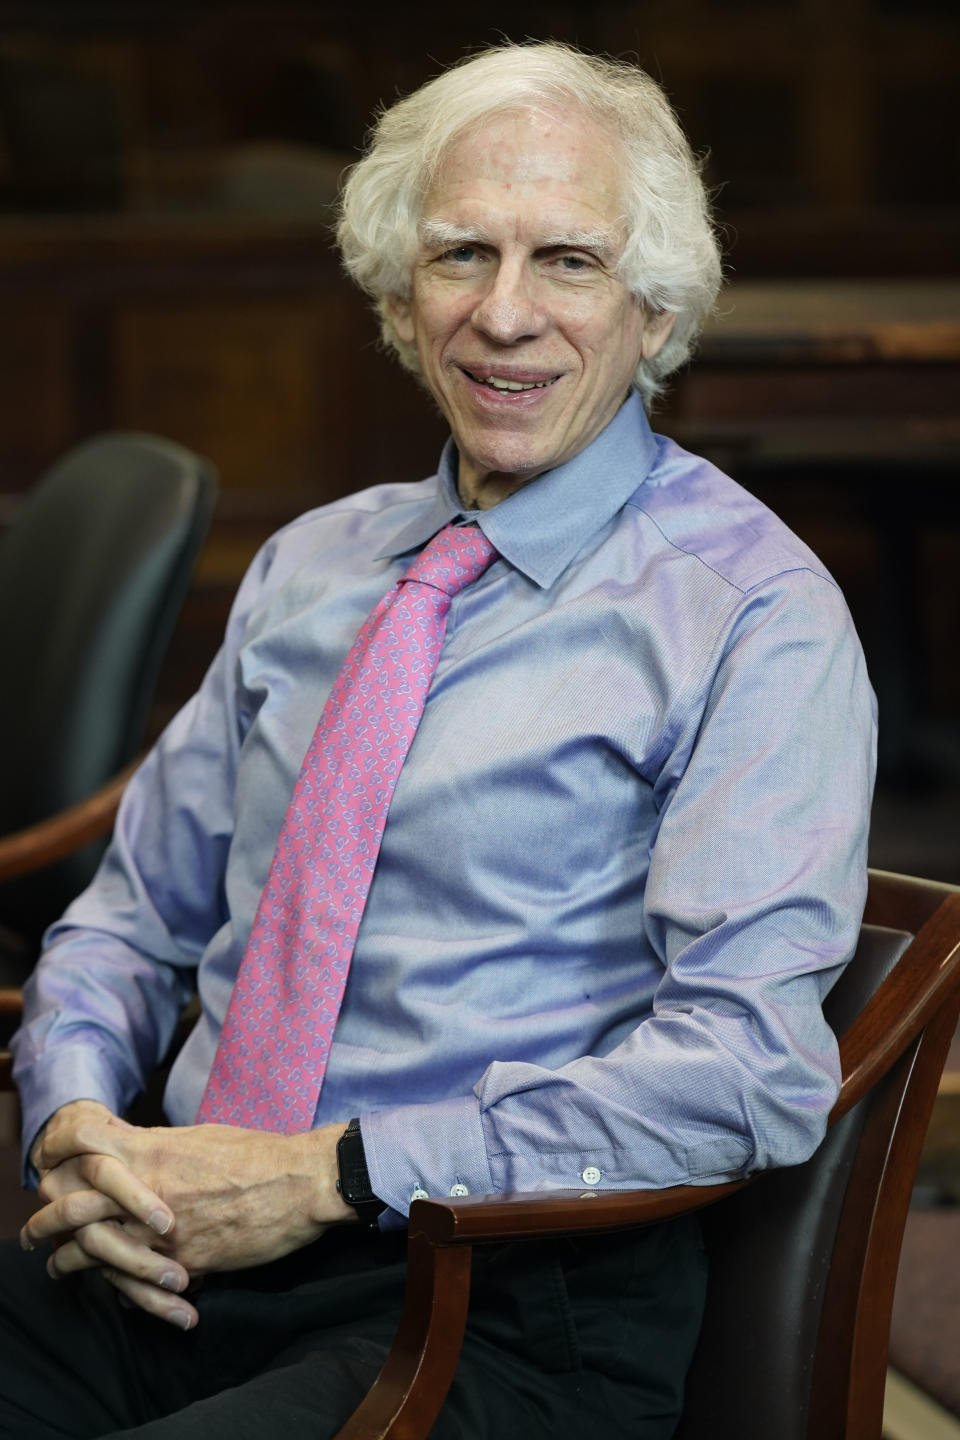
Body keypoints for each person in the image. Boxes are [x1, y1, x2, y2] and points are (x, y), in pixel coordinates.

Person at [0, 40, 875, 1440]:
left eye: (570, 262)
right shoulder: (309, 567)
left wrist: (327, 1177)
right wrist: (75, 1122)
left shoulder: (753, 616)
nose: (505, 315)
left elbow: (747, 1072)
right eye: (462, 253)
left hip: (492, 1301)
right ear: (402, 293)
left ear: (655, 310)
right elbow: (127, 919)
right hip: (160, 1253)